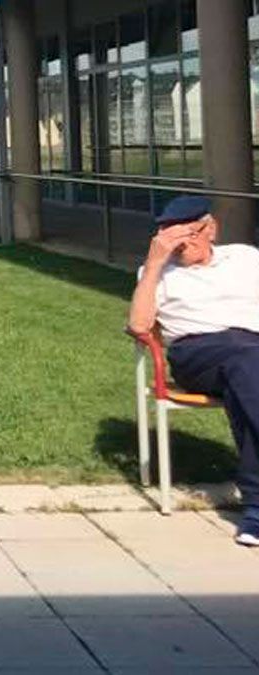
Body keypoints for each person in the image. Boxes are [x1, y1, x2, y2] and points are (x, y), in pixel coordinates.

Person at [127, 195, 259, 546]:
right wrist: (154, 265)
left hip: (251, 351)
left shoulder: (246, 258)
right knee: (245, 360)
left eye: (190, 233)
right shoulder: (156, 273)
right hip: (198, 354)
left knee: (247, 374)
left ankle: (256, 509)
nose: (183, 243)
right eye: (171, 236)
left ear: (210, 228)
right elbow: (139, 326)